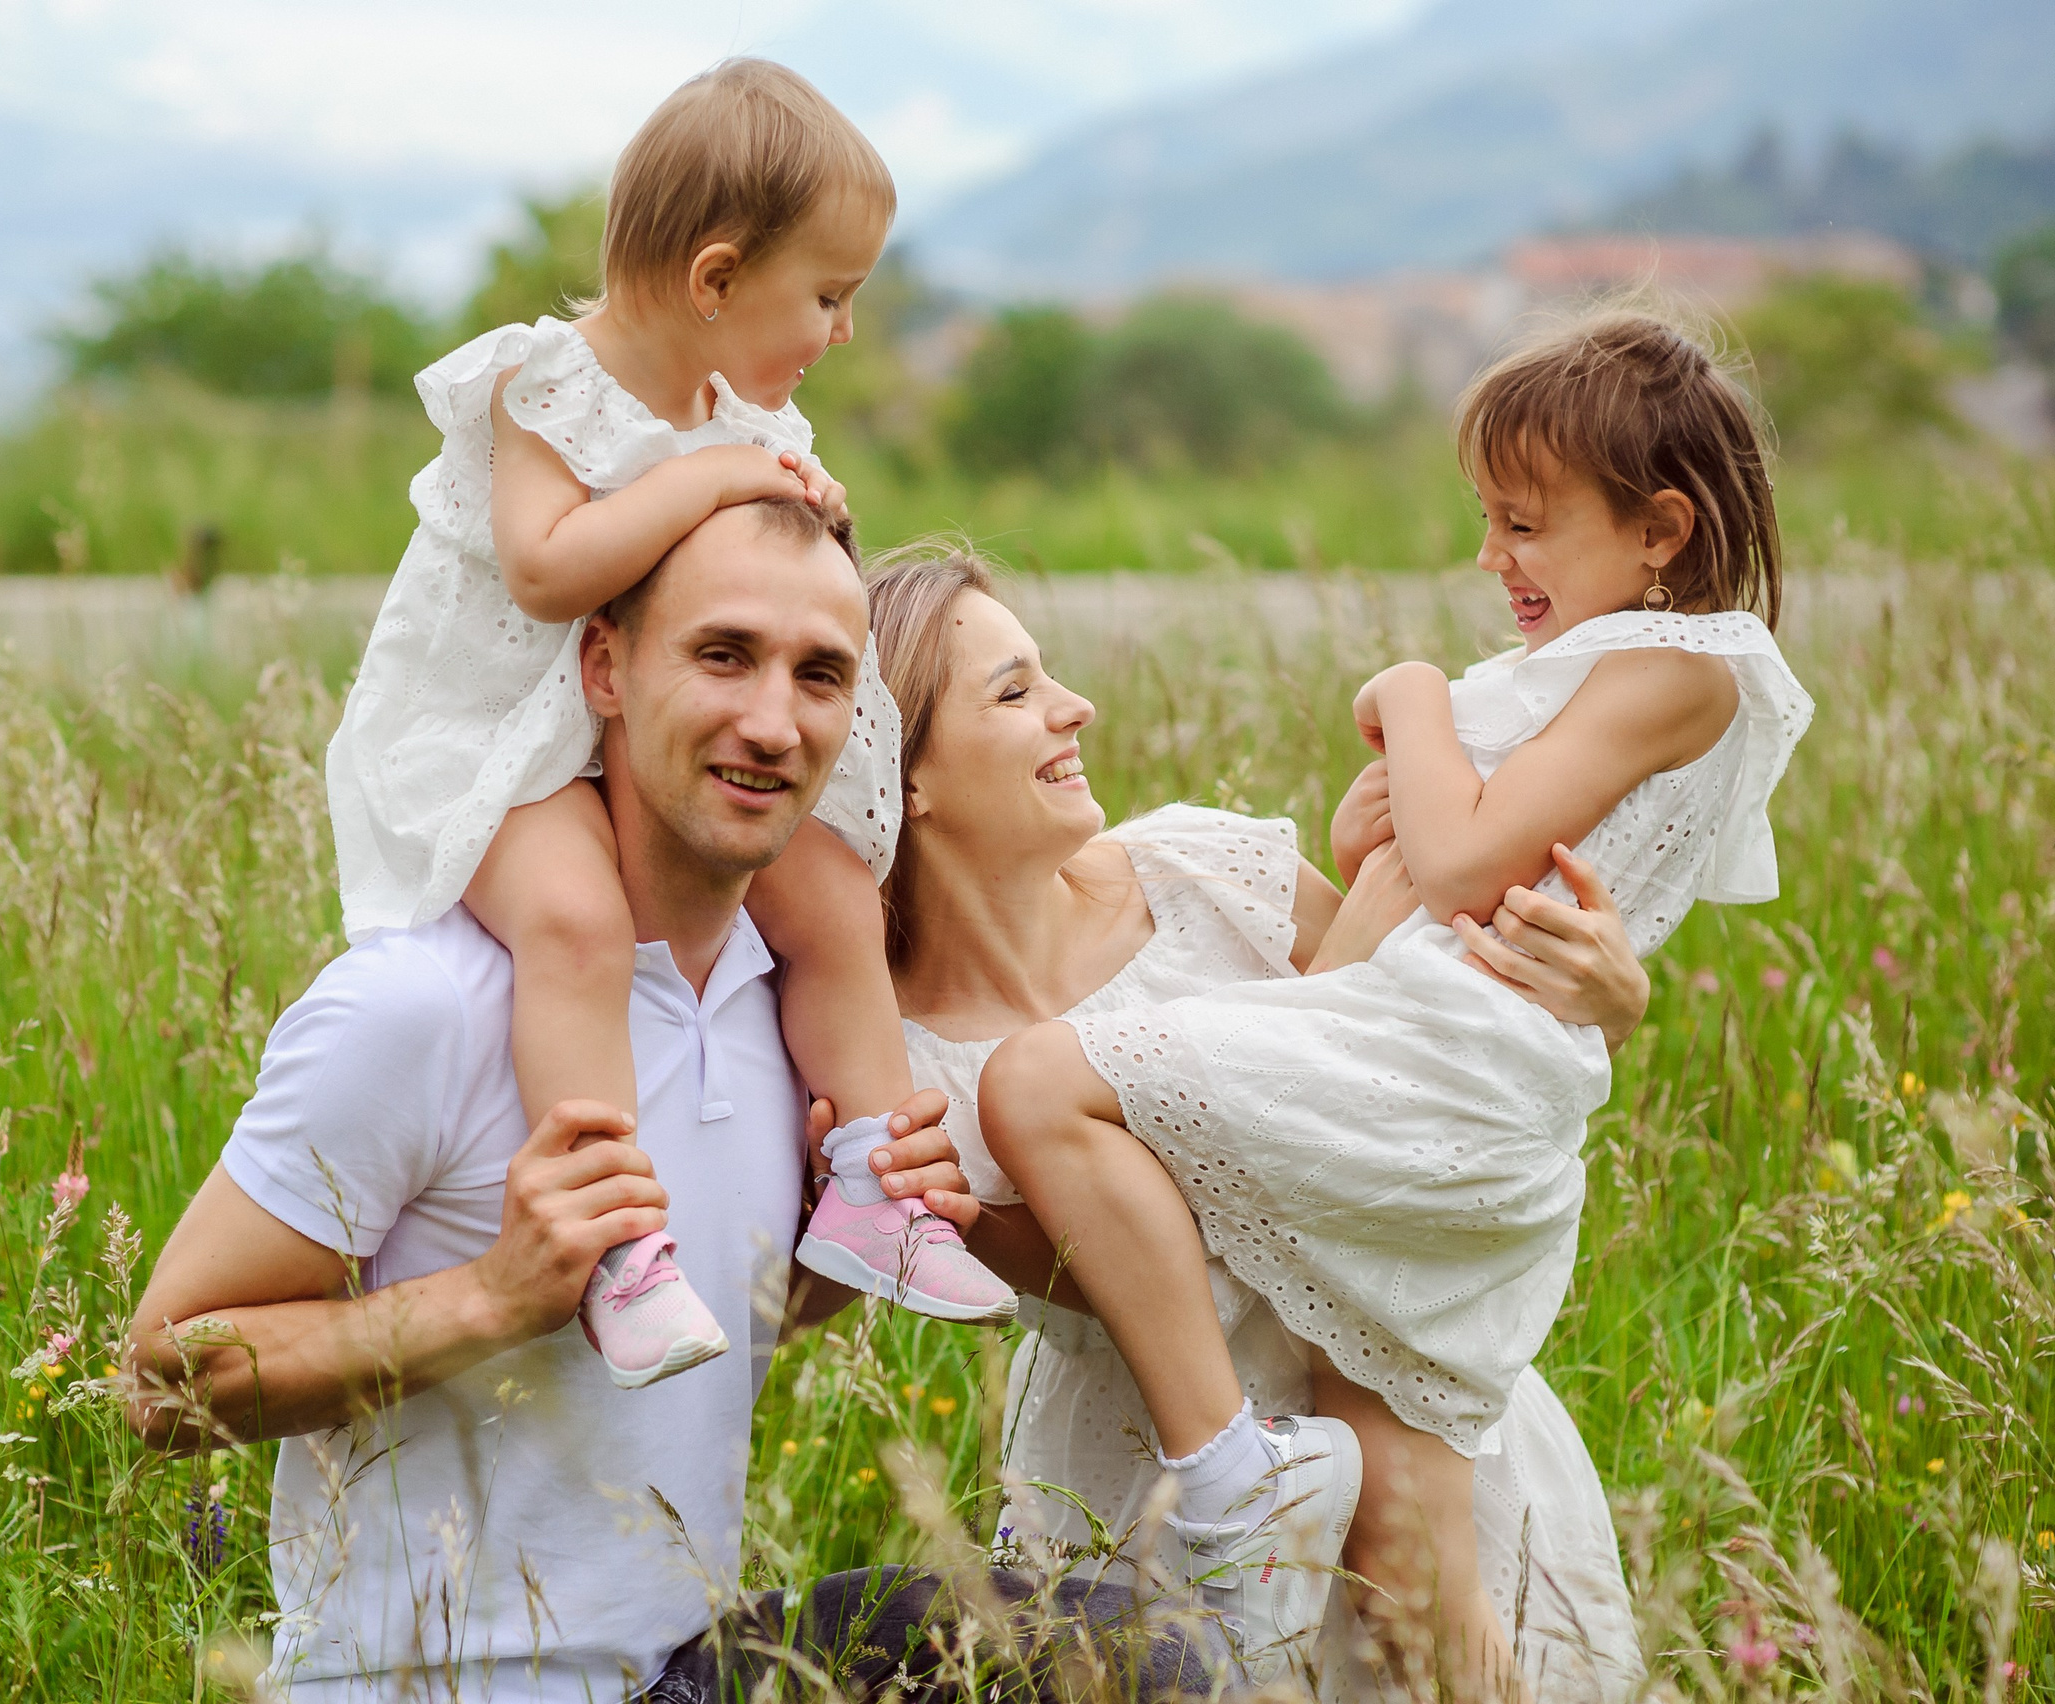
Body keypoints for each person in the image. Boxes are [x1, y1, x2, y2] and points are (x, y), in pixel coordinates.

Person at [126, 501, 1240, 1704]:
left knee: (1130, 1658)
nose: (772, 722)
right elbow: (163, 1379)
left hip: (687, 1669)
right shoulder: (423, 1007)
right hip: (440, 1684)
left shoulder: (793, 1014)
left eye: (819, 676)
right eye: (723, 655)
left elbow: (719, 1330)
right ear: (605, 668)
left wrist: (826, 1248)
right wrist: (489, 1296)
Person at [976, 312, 1815, 1692]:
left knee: (1036, 1080)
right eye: (1487, 521)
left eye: (1524, 525)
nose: (1492, 558)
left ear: (1660, 529)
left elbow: (1473, 864)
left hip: (1449, 1063)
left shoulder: (1681, 668)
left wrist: (1416, 696)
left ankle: (1228, 1478)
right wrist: (1376, 833)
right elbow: (1440, 872)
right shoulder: (1582, 675)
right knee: (1406, 1559)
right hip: (1419, 1038)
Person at [324, 58, 1011, 1391]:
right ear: (715, 279)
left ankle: (872, 1180)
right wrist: (716, 479)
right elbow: (546, 569)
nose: (842, 332)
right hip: (498, 744)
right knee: (577, 926)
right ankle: (614, 1247)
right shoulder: (546, 384)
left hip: (643, 734)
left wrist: (796, 509)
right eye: (828, 296)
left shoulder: (739, 416)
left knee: (832, 896)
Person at [858, 546, 1651, 1698]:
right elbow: (1139, 1282)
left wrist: (1609, 1008)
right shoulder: (900, 1062)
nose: (1074, 707)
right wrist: (968, 1224)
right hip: (1164, 1488)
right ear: (903, 778)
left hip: (1403, 1399)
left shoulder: (1202, 872)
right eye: (1014, 692)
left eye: (1048, 674)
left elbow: (1441, 1072)